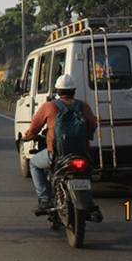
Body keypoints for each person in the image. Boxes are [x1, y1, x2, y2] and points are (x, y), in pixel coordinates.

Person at [23, 73, 98, 214]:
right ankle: (89, 201)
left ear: (58, 91)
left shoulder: (49, 106)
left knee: (33, 163)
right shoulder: (83, 106)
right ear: (74, 91)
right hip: (81, 153)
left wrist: (28, 137)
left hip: (57, 154)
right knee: (88, 173)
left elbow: (34, 128)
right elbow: (93, 124)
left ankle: (44, 199)